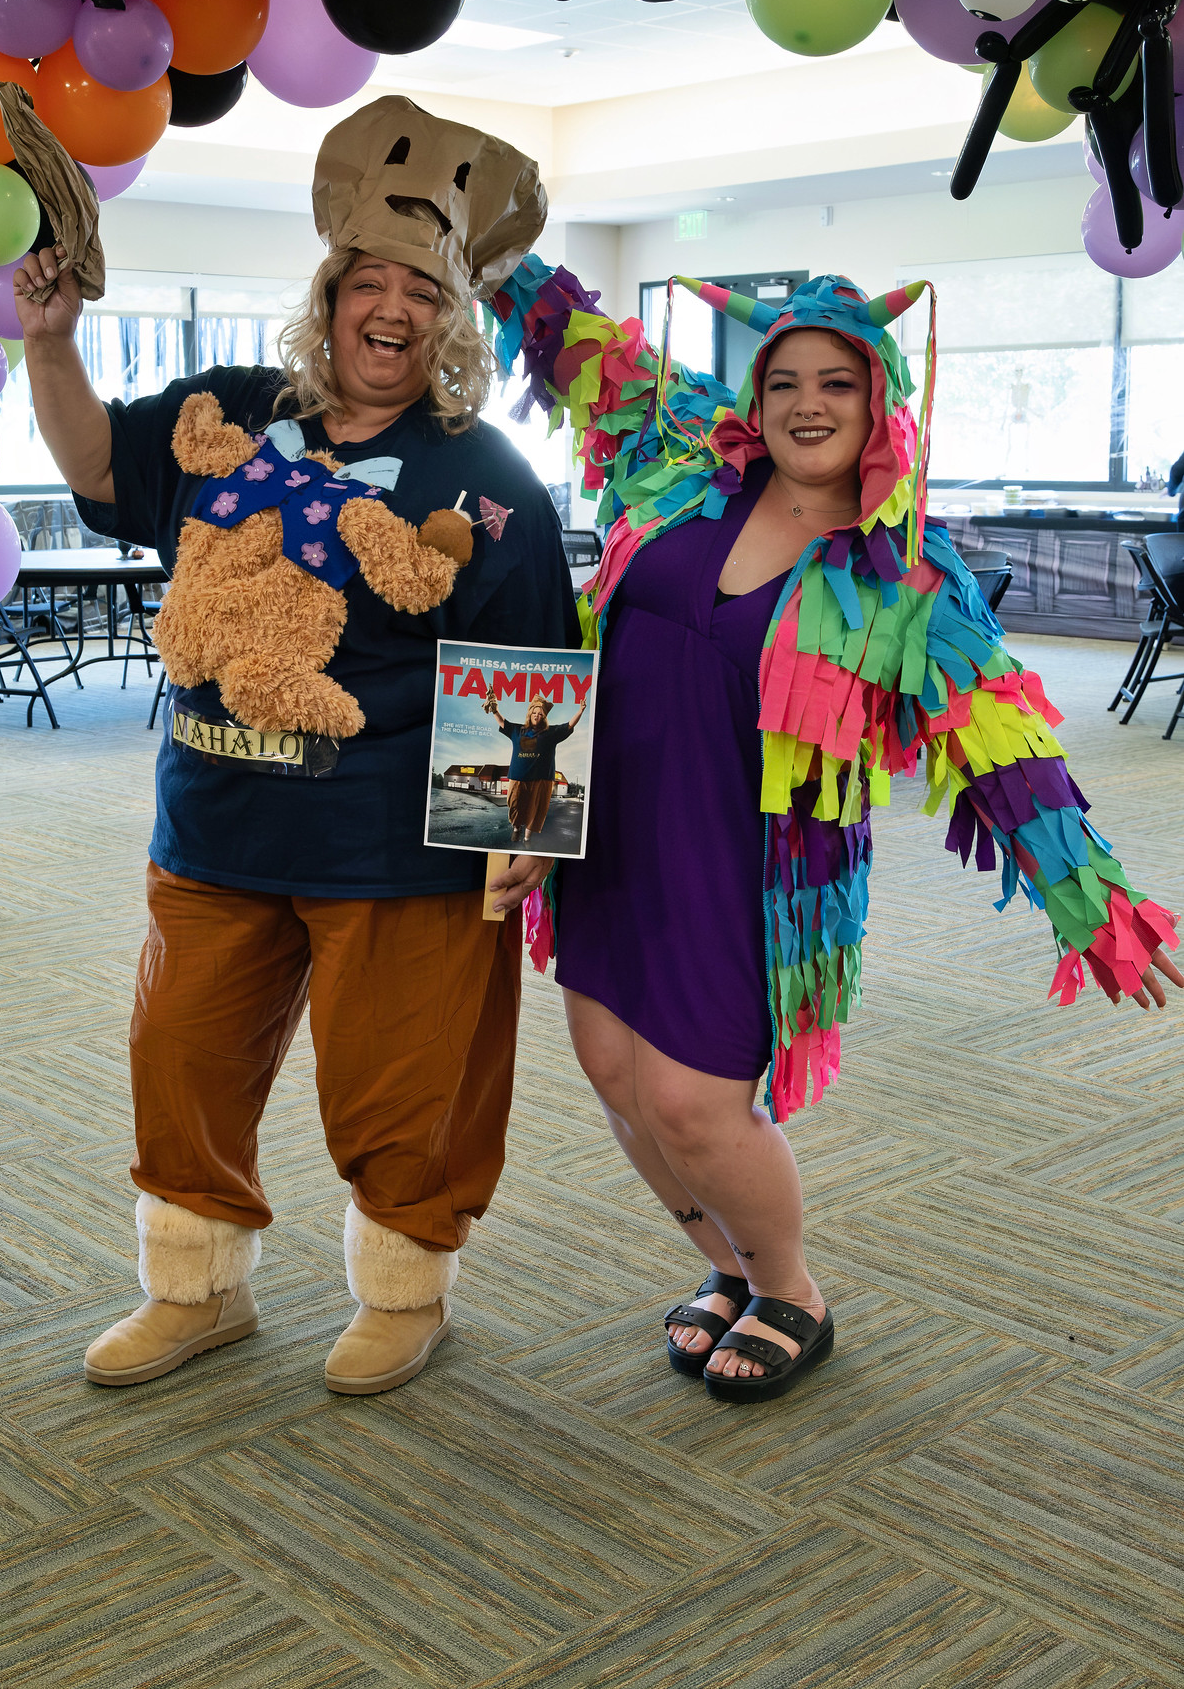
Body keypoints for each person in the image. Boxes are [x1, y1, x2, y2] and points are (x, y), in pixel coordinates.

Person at [485, 260, 1182, 1403]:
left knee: (693, 1103)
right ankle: (727, 1266)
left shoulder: (905, 575)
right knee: (612, 1070)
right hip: (604, 835)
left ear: (879, 404)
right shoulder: (678, 472)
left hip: (745, 869)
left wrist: (1090, 898)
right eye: (786, 381)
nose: (809, 404)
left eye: (838, 384)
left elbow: (1004, 744)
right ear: (754, 400)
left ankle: (793, 1287)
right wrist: (495, 255)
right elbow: (582, 349)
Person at [14, 95, 578, 1395]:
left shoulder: (483, 473)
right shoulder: (229, 407)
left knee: (406, 1085)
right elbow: (99, 468)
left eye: (420, 293)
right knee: (185, 1064)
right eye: (366, 283)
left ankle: (401, 1289)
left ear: (452, 325)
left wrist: (521, 838)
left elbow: (532, 659)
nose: (389, 310)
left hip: (391, 844)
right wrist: (51, 342)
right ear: (325, 299)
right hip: (214, 825)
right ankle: (196, 1289)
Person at [483, 689, 588, 841]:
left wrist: (580, 711)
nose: (537, 716)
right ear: (530, 714)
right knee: (514, 804)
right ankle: (517, 827)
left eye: (540, 714)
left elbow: (569, 725)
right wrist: (494, 708)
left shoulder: (550, 732)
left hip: (541, 778)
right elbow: (501, 721)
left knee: (536, 808)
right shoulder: (517, 730)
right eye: (534, 713)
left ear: (544, 717)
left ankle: (527, 838)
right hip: (518, 776)